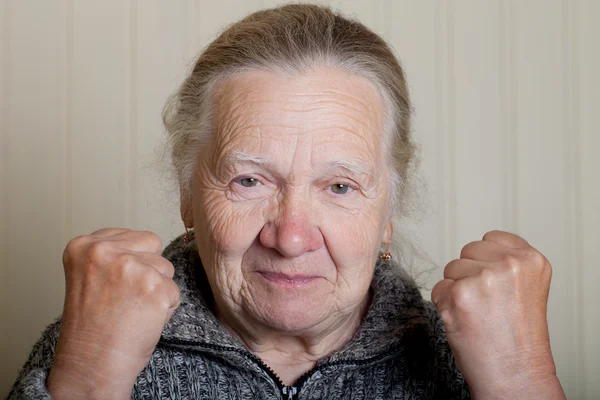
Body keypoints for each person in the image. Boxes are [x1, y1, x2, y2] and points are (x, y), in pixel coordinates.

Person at [8, 4, 565, 399]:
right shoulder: (90, 342)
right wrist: (84, 384)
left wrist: (521, 384)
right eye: (249, 181)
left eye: (339, 186)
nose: (291, 236)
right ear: (186, 195)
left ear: (387, 213)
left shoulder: (477, 361)